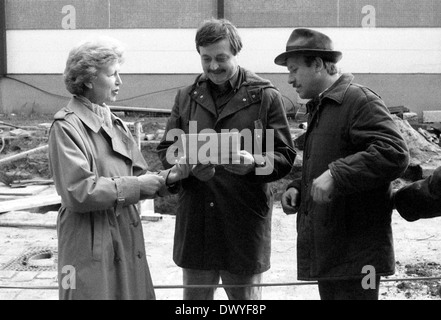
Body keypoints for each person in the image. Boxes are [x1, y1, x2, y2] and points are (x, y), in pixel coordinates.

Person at [156, 18, 296, 300]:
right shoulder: (186, 98)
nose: (213, 66)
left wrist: (254, 163)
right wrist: (183, 164)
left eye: (221, 58)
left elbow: (284, 156)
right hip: (197, 223)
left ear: (236, 53)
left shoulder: (265, 96)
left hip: (242, 223)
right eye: (206, 59)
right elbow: (166, 151)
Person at [48, 37, 190, 300]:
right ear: (89, 79)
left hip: (124, 231)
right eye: (113, 74)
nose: (119, 81)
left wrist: (171, 177)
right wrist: (136, 186)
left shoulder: (113, 122)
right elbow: (78, 191)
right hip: (88, 238)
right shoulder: (66, 127)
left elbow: (136, 177)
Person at [277, 28, 409, 300]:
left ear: (318, 64)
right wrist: (299, 188)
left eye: (294, 70)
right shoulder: (323, 106)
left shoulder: (359, 100)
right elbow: (329, 159)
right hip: (333, 252)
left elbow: (394, 152)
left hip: (360, 259)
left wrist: (337, 175)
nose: (290, 79)